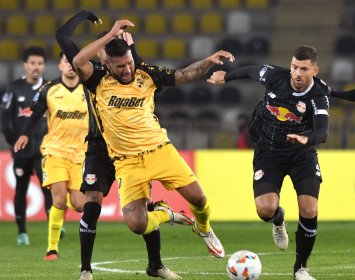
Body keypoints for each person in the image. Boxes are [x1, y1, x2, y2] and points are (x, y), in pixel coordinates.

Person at [73, 19, 234, 262]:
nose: (127, 69)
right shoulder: (97, 81)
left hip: (160, 150)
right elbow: (77, 61)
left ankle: (204, 228)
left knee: (199, 199)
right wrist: (111, 35)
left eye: (129, 63)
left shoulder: (146, 74)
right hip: (127, 162)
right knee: (138, 224)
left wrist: (208, 61)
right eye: (120, 66)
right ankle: (165, 214)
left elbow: (184, 74)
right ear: (107, 64)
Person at [55, 11, 193, 280]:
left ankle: (156, 265)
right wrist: (83, 15)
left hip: (134, 148)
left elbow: (147, 77)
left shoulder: (129, 70)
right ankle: (85, 269)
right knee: (91, 201)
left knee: (143, 208)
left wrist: (134, 49)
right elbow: (62, 36)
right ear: (101, 56)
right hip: (100, 147)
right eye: (107, 51)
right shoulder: (93, 75)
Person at [207, 45, 329, 280]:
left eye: (303, 69)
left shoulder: (318, 96)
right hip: (269, 151)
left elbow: (322, 133)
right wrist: (227, 76)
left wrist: (306, 138)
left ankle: (301, 269)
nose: (297, 73)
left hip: (301, 154)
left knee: (310, 208)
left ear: (314, 70)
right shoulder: (276, 76)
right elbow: (253, 71)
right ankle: (278, 218)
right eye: (294, 66)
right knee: (265, 210)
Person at [14, 52, 88, 261]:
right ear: (60, 66)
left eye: (75, 61)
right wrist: (25, 134)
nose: (71, 65)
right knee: (58, 200)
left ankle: (63, 194)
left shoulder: (89, 89)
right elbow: (35, 113)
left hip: (80, 154)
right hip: (54, 151)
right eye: (67, 61)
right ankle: (52, 249)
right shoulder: (49, 90)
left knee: (80, 204)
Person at [0, 46, 52, 246]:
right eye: (32, 63)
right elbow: (5, 119)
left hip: (44, 149)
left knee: (48, 188)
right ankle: (22, 232)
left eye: (39, 63)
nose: (36, 67)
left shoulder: (50, 88)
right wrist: (13, 141)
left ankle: (53, 229)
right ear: (25, 65)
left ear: (44, 66)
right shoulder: (14, 88)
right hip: (22, 150)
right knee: (21, 189)